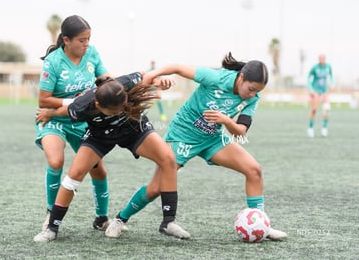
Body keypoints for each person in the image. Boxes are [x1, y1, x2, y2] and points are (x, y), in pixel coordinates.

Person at [105, 52, 288, 241]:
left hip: (212, 139)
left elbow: (240, 131)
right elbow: (177, 67)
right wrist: (154, 74)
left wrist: (226, 121)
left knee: (254, 170)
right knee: (155, 188)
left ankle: (261, 224)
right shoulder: (216, 77)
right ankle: (120, 219)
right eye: (250, 88)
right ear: (241, 77)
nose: (252, 94)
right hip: (182, 135)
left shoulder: (252, 98)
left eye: (256, 91)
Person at [33, 72, 190, 242]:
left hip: (134, 130)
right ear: (98, 104)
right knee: (74, 175)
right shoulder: (82, 105)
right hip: (99, 137)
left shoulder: (125, 84)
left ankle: (168, 222)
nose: (117, 114)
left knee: (168, 159)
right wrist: (50, 114)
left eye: (120, 109)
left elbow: (147, 75)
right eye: (112, 112)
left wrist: (159, 81)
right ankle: (51, 229)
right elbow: (67, 110)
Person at [35, 15, 111, 231]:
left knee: (99, 171)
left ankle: (101, 218)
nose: (86, 44)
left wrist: (116, 90)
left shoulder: (92, 53)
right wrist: (78, 101)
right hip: (54, 119)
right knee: (56, 162)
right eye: (81, 40)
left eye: (88, 39)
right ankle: (51, 213)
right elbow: (44, 100)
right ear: (66, 40)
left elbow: (106, 81)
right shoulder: (53, 62)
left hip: (83, 122)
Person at [306, 54, 335, 138]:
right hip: (315, 90)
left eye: (323, 58)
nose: (322, 59)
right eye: (320, 58)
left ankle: (324, 128)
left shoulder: (328, 67)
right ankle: (310, 128)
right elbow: (308, 77)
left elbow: (331, 76)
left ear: (325, 59)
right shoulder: (315, 67)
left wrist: (332, 83)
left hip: (324, 90)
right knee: (314, 109)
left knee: (327, 108)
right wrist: (310, 89)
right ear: (319, 59)